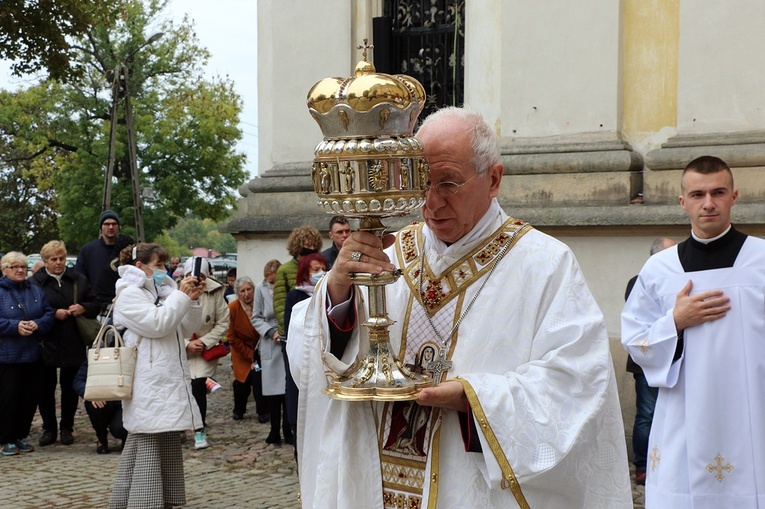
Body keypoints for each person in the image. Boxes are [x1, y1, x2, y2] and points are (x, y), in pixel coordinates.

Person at [287, 107, 631, 508]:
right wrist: (338, 290)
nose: (431, 203)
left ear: (494, 179)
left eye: (448, 183)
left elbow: (576, 384)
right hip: (375, 483)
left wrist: (471, 397)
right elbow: (311, 359)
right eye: (422, 183)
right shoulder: (386, 254)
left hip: (468, 484)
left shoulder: (544, 264)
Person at [622, 155, 765, 508]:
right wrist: (674, 322)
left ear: (734, 196)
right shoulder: (658, 269)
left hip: (752, 410)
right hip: (682, 411)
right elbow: (635, 339)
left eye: (718, 192)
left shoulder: (761, 261)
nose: (709, 203)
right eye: (698, 194)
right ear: (682, 202)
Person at [108, 243, 204, 509]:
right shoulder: (129, 295)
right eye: (159, 265)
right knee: (146, 448)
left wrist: (192, 299)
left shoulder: (166, 290)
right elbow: (157, 324)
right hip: (147, 384)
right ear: (140, 267)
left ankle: (165, 502)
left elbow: (186, 328)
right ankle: (140, 503)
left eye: (165, 265)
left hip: (168, 382)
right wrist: (180, 297)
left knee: (167, 446)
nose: (165, 271)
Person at [31, 240, 101, 447]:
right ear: (45, 262)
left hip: (73, 339)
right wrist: (53, 314)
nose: (59, 262)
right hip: (47, 340)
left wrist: (83, 308)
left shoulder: (78, 279)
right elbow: (31, 309)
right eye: (54, 259)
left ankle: (67, 428)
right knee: (45, 388)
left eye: (61, 258)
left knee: (70, 387)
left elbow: (96, 303)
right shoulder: (36, 282)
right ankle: (49, 428)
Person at [624, 237, 675, 486]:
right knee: (647, 413)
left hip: (670, 358)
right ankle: (643, 466)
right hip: (646, 359)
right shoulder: (638, 282)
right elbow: (638, 321)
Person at [0, 252, 55, 456]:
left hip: (33, 354)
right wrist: (15, 326)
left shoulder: (35, 290)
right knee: (8, 398)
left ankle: (21, 435)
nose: (20, 270)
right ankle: (6, 438)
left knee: (29, 398)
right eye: (14, 267)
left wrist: (38, 324)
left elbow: (49, 314)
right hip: (7, 355)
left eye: (22, 266)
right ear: (4, 270)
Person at [183, 257, 230, 450]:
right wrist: (186, 344)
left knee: (198, 386)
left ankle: (199, 428)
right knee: (183, 389)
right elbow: (170, 321)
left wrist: (204, 342)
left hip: (204, 348)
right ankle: (180, 425)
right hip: (182, 349)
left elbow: (223, 322)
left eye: (201, 277)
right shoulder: (176, 291)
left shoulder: (215, 291)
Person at [282, 253, 327, 456]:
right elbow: (290, 332)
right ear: (305, 273)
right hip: (302, 359)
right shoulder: (294, 296)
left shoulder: (330, 293)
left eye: (323, 269)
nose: (321, 273)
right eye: (315, 270)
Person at [253, 259, 294, 446]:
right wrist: (271, 332)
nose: (272, 284)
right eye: (269, 281)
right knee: (272, 391)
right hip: (270, 341)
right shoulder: (259, 290)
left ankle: (288, 429)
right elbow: (256, 317)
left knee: (287, 389)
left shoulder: (286, 287)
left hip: (287, 339)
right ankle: (274, 430)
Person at [226, 276, 268, 422]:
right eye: (242, 291)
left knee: (259, 380)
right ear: (238, 293)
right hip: (240, 350)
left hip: (260, 349)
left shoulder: (260, 304)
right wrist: (249, 356)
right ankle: (239, 409)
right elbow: (231, 337)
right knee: (241, 383)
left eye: (249, 289)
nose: (246, 293)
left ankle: (263, 411)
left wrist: (256, 356)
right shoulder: (233, 308)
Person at [272, 226, 323, 341]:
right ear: (298, 246)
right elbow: (280, 304)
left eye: (314, 246)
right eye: (308, 245)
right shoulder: (284, 270)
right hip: (292, 330)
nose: (312, 249)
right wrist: (291, 325)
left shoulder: (319, 267)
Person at [72, 359, 127, 454]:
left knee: (120, 428)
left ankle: (127, 439)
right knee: (96, 406)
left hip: (123, 403)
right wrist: (92, 394)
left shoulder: (132, 352)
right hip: (103, 400)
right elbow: (79, 381)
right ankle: (101, 439)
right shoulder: (98, 354)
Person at [75, 210, 123, 313]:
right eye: (107, 224)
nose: (110, 227)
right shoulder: (88, 250)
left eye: (114, 224)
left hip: (122, 304)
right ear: (101, 226)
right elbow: (80, 278)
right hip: (96, 306)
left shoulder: (126, 250)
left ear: (118, 226)